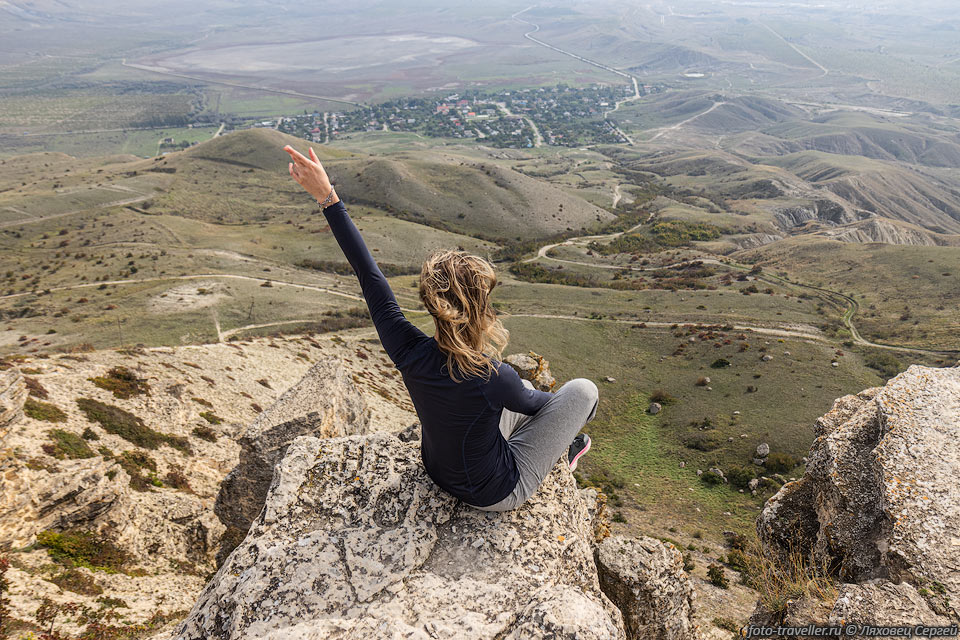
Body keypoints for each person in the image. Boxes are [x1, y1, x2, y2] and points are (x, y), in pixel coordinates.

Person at [283, 144, 598, 511]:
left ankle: (554, 439)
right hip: (494, 493)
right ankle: (567, 449)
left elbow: (369, 276)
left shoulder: (408, 349)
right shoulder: (494, 376)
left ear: (435, 306)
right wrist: (573, 415)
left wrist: (327, 197)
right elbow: (549, 404)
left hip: (438, 472)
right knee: (582, 391)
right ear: (480, 308)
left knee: (520, 388)